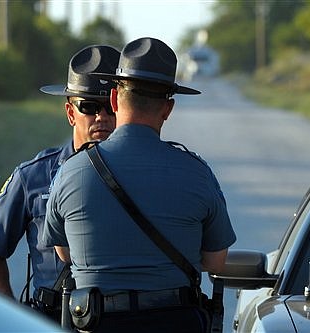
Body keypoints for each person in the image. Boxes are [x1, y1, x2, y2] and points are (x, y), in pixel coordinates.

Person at [43, 37, 236, 333]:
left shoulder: (72, 171)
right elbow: (216, 262)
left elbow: (64, 253)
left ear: (113, 100)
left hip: (97, 323)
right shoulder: (197, 173)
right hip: (176, 322)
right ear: (168, 108)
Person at [0, 45, 120, 308]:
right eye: (89, 106)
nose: (102, 117)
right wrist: (14, 320)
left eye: (111, 107)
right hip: (55, 317)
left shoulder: (143, 173)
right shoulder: (34, 176)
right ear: (70, 113)